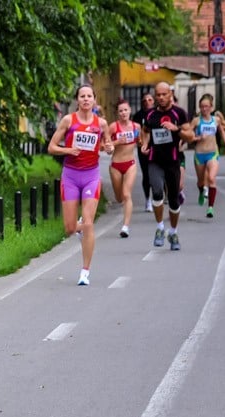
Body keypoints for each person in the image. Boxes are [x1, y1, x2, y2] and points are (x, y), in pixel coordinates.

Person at [47, 84, 114, 285]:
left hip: (91, 176)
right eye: (82, 96)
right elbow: (51, 147)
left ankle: (85, 272)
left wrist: (109, 148)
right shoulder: (69, 120)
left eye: (89, 96)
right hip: (71, 176)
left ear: (94, 100)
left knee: (88, 222)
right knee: (69, 228)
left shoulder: (101, 123)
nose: (86, 99)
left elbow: (107, 146)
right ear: (78, 100)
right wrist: (68, 150)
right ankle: (78, 229)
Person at [140, 81, 191, 251]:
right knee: (156, 191)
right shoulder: (150, 115)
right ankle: (160, 227)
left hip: (173, 161)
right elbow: (145, 131)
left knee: (174, 201)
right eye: (158, 95)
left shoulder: (179, 113)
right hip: (155, 160)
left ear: (170, 94)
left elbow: (190, 136)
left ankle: (173, 232)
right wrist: (144, 144)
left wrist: (175, 129)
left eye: (164, 94)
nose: (161, 98)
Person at [189, 93, 225, 218]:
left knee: (212, 178)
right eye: (202, 106)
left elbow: (222, 131)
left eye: (207, 106)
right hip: (199, 154)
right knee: (201, 182)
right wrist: (197, 137)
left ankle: (210, 207)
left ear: (211, 107)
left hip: (213, 153)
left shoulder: (216, 120)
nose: (204, 109)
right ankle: (202, 191)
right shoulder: (196, 121)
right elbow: (188, 136)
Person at [107, 99, 141, 238]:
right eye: (120, 111)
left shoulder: (136, 127)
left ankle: (125, 226)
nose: (123, 113)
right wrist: (115, 142)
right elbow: (106, 147)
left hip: (130, 164)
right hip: (115, 165)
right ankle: (120, 200)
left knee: (127, 195)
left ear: (130, 111)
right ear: (117, 113)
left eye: (125, 110)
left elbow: (140, 141)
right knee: (119, 197)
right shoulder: (113, 127)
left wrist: (144, 146)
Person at [131, 93, 154, 212]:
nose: (147, 102)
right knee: (147, 174)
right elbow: (135, 130)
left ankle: (161, 196)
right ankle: (147, 199)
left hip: (156, 148)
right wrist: (138, 141)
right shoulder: (138, 115)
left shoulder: (157, 113)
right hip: (143, 148)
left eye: (150, 99)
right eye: (145, 100)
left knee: (158, 172)